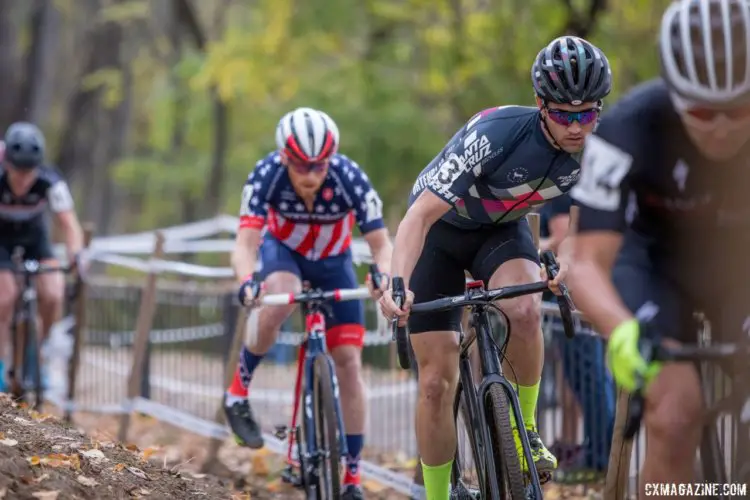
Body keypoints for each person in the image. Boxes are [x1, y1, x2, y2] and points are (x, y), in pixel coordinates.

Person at [379, 35, 612, 499]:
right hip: (438, 236)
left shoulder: (599, 149)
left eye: (587, 114)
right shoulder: (495, 134)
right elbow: (418, 217)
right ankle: (438, 493)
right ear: (541, 105)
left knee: (525, 311)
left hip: (499, 231)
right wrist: (396, 284)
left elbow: (584, 214)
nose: (576, 128)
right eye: (565, 115)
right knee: (435, 382)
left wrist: (565, 258)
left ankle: (525, 432)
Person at [567, 0, 750, 496]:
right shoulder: (626, 127)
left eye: (739, 109)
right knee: (674, 411)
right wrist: (623, 332)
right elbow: (583, 263)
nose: (722, 127)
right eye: (702, 111)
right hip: (655, 266)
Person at [225, 107, 393, 499]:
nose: (312, 176)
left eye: (320, 166)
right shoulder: (265, 174)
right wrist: (248, 282)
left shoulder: (350, 177)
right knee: (277, 299)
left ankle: (352, 476)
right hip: (283, 253)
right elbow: (245, 245)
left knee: (350, 364)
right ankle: (237, 394)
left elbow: (383, 245)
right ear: (285, 158)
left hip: (335, 264)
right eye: (302, 167)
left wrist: (383, 276)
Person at [0, 122, 84, 391]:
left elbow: (70, 224)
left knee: (53, 293)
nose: (24, 180)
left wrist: (77, 258)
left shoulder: (51, 180)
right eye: (17, 172)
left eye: (29, 173)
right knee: (5, 296)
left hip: (35, 239)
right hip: (1, 240)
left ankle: (37, 351)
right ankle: (2, 365)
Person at [538, 196, 615, 482]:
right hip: (579, 295)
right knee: (590, 376)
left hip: (573, 297)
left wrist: (533, 246)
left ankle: (599, 457)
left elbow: (562, 240)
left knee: (589, 376)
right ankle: (599, 452)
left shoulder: (563, 189)